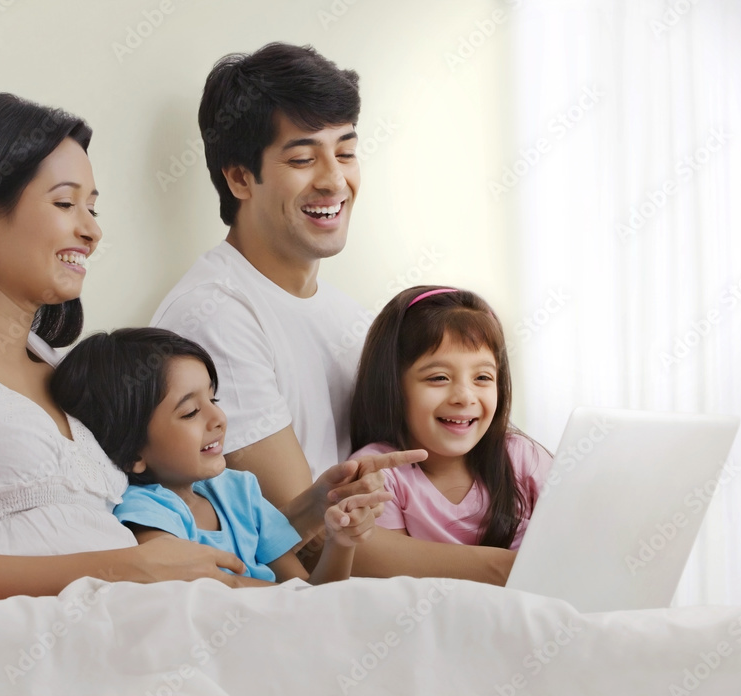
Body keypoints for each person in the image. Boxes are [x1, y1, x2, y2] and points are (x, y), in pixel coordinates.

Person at [0, 92, 405, 601]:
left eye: (93, 207)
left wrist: (310, 511)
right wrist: (125, 570)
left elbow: (189, 525)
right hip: (58, 637)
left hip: (156, 617)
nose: (92, 230)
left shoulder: (68, 371)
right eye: (65, 204)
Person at [151, 43, 516, 583]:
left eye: (344, 152)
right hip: (316, 612)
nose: (333, 180)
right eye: (302, 159)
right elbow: (312, 536)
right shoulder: (215, 315)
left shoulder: (351, 317)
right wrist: (511, 569)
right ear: (239, 179)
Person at [51, 328, 387, 586]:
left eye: (215, 399)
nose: (218, 419)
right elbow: (207, 596)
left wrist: (341, 543)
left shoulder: (238, 490)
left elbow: (310, 596)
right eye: (191, 411)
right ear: (133, 454)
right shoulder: (147, 514)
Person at [348, 287, 553, 577]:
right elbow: (391, 585)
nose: (464, 397)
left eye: (483, 377)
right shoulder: (379, 473)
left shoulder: (523, 457)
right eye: (439, 378)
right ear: (393, 385)